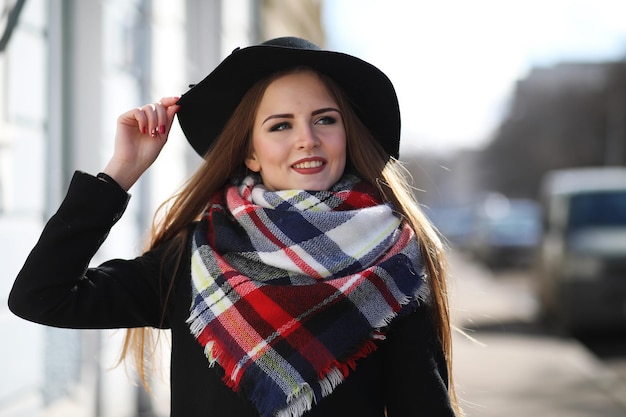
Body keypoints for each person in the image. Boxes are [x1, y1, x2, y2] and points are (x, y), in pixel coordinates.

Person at [8, 37, 461, 417]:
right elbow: (41, 297)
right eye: (281, 125)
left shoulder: (395, 264)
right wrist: (120, 172)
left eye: (325, 119)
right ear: (250, 153)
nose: (308, 137)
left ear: (347, 135)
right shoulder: (196, 254)